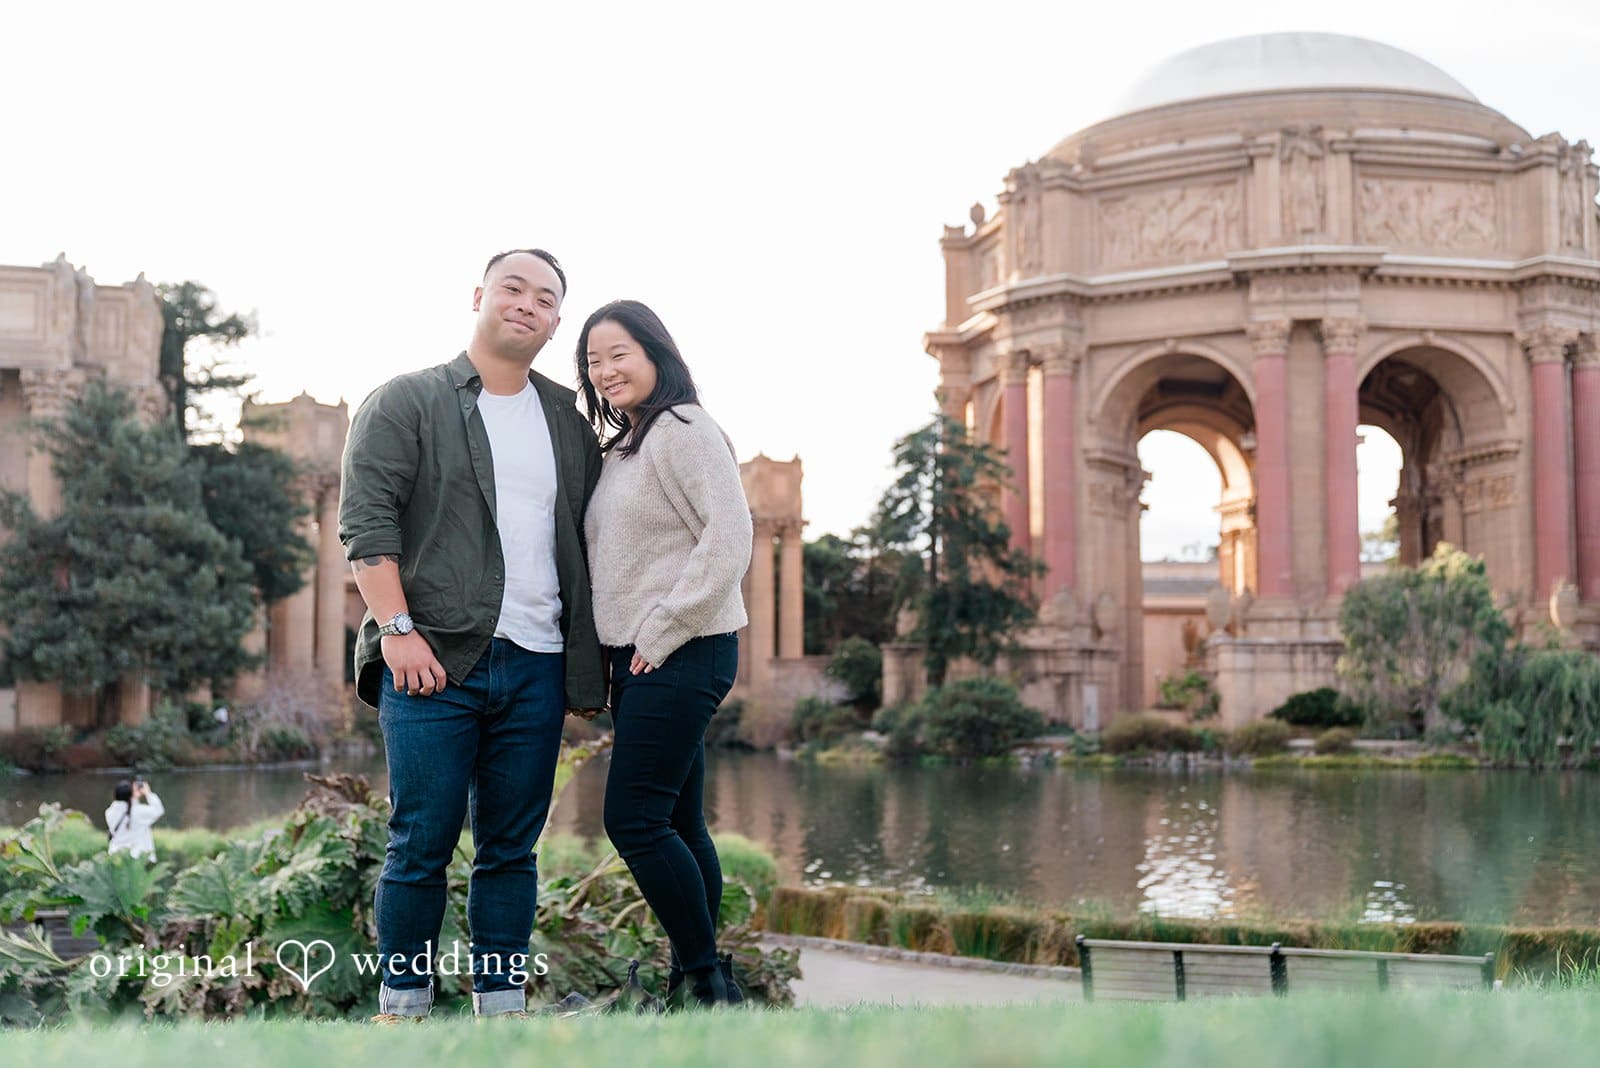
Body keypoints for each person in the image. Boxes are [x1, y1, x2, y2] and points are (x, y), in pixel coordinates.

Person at [339, 249, 606, 1021]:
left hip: (539, 663)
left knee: (510, 851)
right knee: (421, 841)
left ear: (556, 323)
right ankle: (404, 1008)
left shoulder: (568, 423)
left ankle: (501, 1009)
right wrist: (397, 630)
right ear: (480, 296)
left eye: (546, 298)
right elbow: (366, 524)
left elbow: (590, 542)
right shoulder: (406, 401)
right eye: (513, 288)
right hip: (432, 660)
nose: (528, 304)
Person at [577, 300, 753, 1008]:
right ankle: (696, 977)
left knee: (633, 819)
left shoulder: (684, 428)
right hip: (645, 659)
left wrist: (661, 629)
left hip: (680, 650)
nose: (605, 369)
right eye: (592, 360)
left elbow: (730, 535)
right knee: (678, 822)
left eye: (619, 353)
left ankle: (707, 981)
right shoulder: (627, 445)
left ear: (656, 352)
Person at [105, 777, 164, 860]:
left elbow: (121, 804)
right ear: (131, 795)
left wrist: (133, 794)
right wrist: (148, 793)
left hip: (116, 856)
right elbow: (159, 810)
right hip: (136, 858)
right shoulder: (138, 812)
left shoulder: (109, 812)